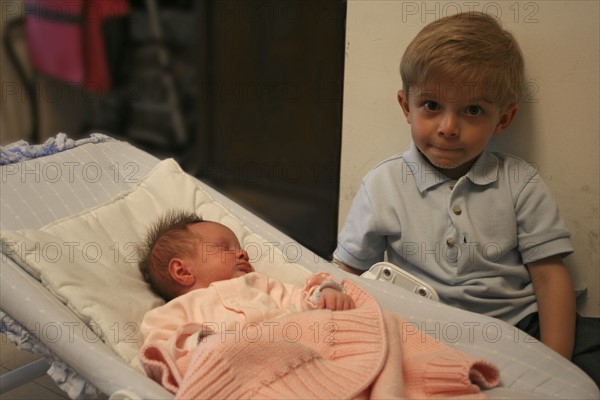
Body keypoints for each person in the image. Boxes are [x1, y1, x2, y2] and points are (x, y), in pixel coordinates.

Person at [334, 11, 599, 388]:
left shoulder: (519, 183)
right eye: (431, 106)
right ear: (405, 105)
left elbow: (550, 277)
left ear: (503, 119)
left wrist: (555, 365)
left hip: (518, 328)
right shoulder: (382, 185)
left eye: (473, 110)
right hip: (423, 333)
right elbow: (349, 272)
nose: (448, 128)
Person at [137, 211, 501, 399]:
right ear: (182, 270)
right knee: (218, 347)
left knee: (379, 320)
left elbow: (302, 302)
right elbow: (163, 349)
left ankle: (421, 374)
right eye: (224, 247)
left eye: (239, 245)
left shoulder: (259, 283)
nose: (241, 252)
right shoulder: (172, 313)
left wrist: (325, 292)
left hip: (303, 349)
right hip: (248, 365)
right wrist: (202, 343)